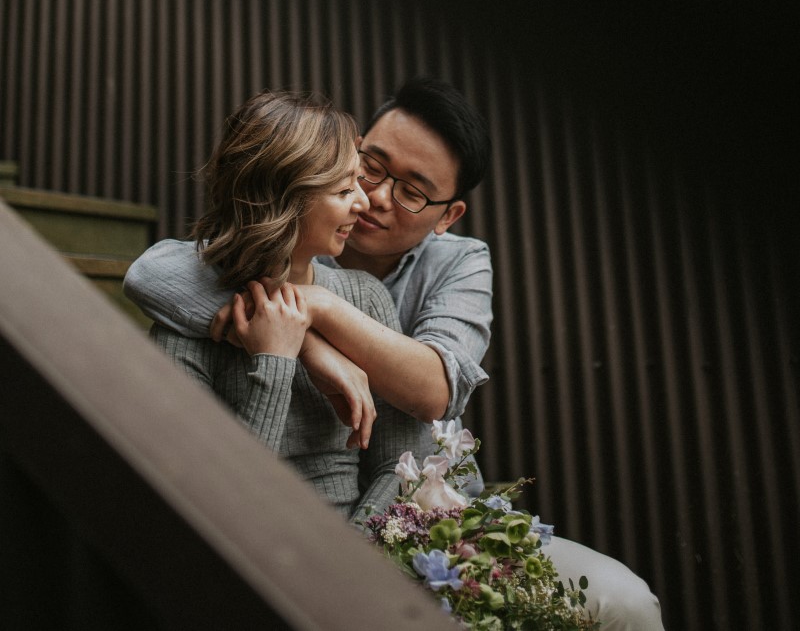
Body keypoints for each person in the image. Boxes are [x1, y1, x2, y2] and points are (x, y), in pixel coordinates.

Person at [125, 77, 665, 629]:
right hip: (271, 537)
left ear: (448, 215)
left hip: (422, 514)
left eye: (411, 191)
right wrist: (290, 347)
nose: (373, 199)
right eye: (367, 169)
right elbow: (148, 274)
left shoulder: (440, 270)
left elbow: (429, 401)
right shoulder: (215, 288)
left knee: (625, 603)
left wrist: (313, 314)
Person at [143, 87, 421, 524]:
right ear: (286, 199)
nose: (364, 203)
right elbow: (216, 504)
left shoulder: (365, 297)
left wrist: (361, 551)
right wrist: (273, 361)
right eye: (345, 188)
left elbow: (401, 465)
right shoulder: (183, 329)